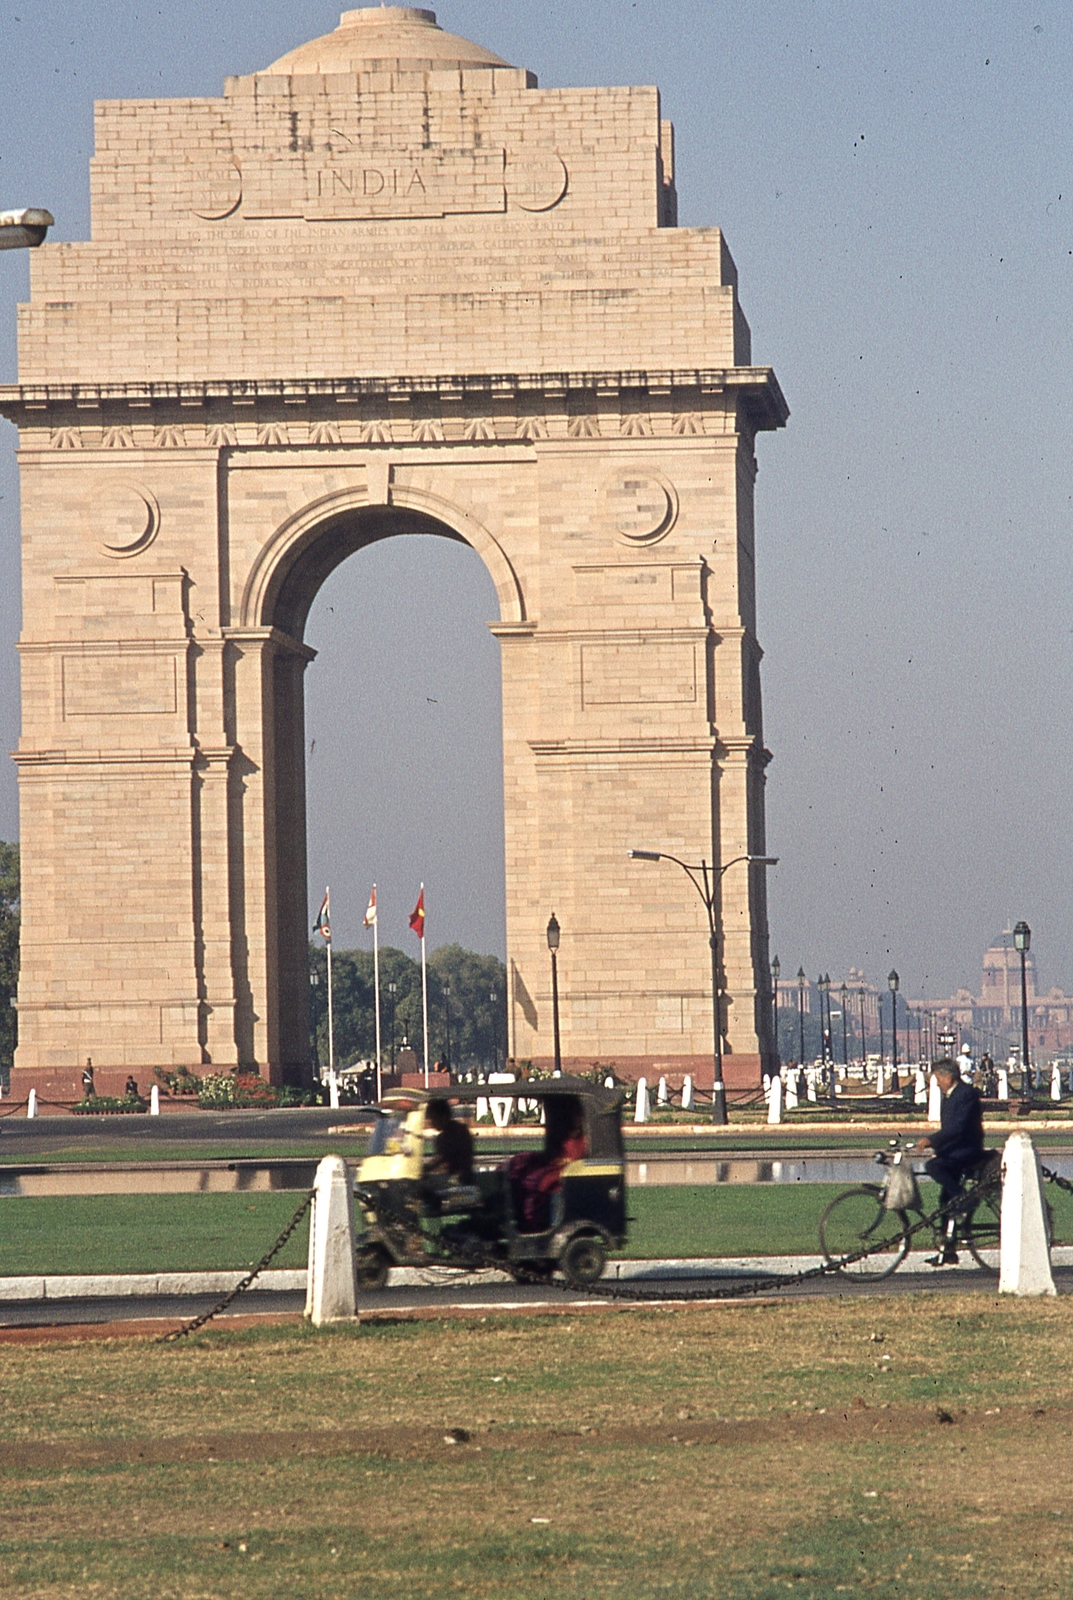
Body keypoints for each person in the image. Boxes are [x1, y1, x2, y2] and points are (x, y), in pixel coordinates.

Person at [912, 1056, 985, 1265]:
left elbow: (958, 1129)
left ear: (948, 1076)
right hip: (955, 1149)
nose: (935, 1082)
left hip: (967, 1150)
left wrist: (931, 1141)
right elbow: (949, 1131)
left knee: (932, 1166)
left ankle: (965, 1198)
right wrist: (939, 1146)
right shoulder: (950, 1096)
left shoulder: (966, 1094)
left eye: (937, 1078)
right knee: (945, 1201)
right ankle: (947, 1251)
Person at [424, 1098, 475, 1185]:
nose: (431, 1122)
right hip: (466, 1179)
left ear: (443, 1116)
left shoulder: (447, 1136)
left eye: (434, 1118)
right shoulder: (461, 1129)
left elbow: (440, 1159)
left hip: (457, 1183)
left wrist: (423, 1169)